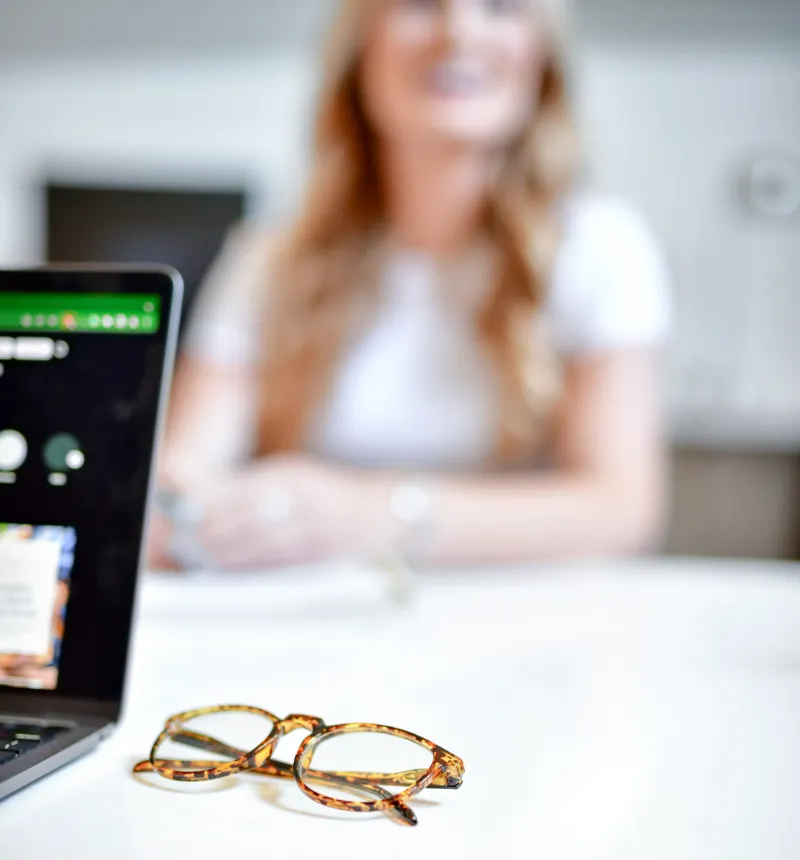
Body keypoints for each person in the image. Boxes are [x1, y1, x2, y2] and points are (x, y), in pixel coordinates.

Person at [151, 0, 671, 571]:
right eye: (421, 3)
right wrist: (181, 507)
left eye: (502, 8)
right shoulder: (269, 260)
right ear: (360, 47)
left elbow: (622, 508)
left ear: (542, 58)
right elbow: (182, 471)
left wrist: (366, 516)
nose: (460, 33)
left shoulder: (599, 247)